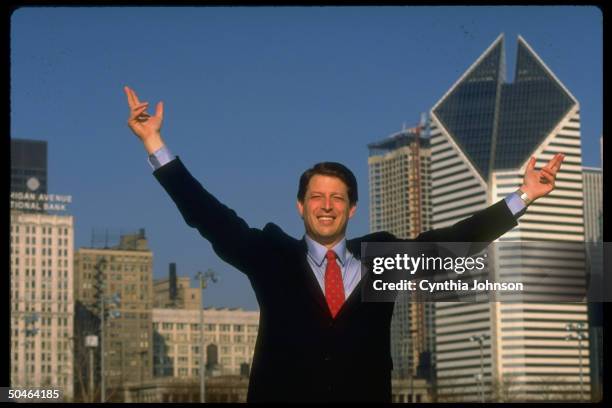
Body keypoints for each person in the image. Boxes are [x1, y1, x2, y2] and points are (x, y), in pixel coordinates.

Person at [123, 86, 565, 402]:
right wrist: (154, 143)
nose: (327, 205)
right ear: (301, 206)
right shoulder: (271, 258)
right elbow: (209, 216)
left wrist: (523, 195)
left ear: (352, 209)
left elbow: (450, 245)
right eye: (317, 196)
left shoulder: (382, 262)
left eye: (338, 198)